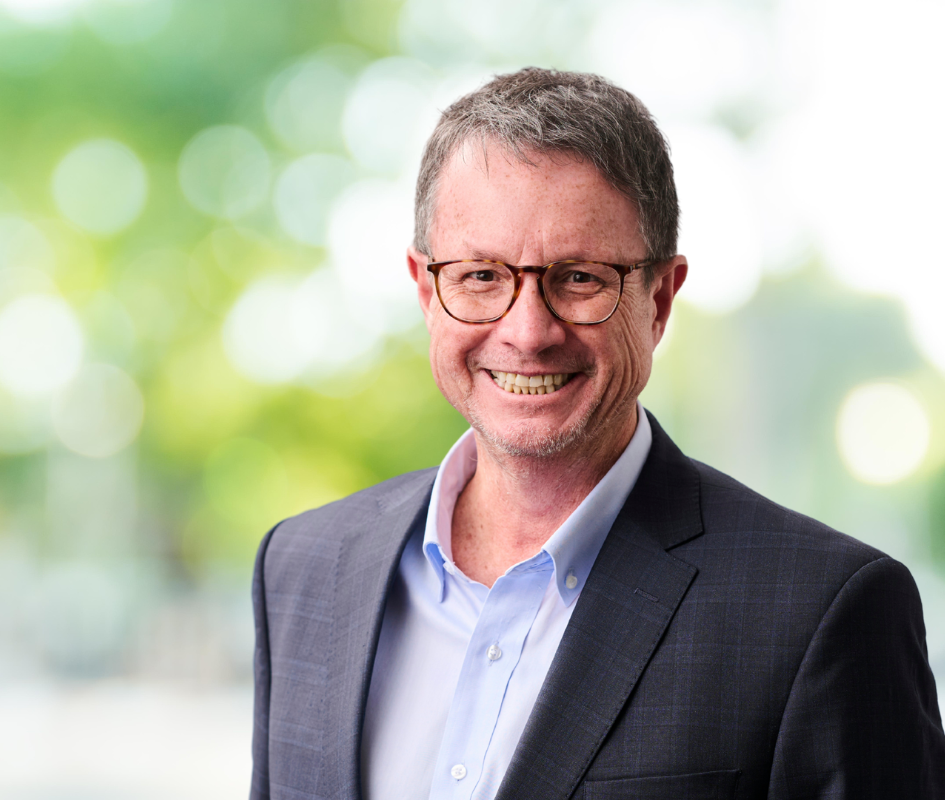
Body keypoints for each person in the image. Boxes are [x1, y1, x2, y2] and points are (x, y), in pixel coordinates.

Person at [248, 68, 945, 800]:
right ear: (427, 291)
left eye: (580, 278)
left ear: (659, 300)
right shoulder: (301, 570)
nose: (527, 332)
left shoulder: (823, 612)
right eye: (481, 276)